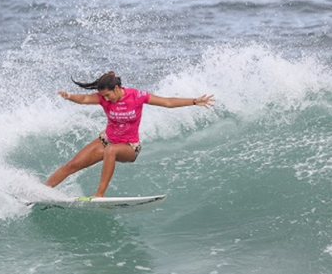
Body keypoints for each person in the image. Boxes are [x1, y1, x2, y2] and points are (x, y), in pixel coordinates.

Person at [45, 71, 215, 197]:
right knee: (71, 166)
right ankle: (42, 192)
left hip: (129, 147)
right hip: (107, 140)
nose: (106, 98)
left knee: (111, 150)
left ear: (117, 88)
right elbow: (83, 99)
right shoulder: (103, 98)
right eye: (103, 96)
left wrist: (194, 101)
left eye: (108, 94)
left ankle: (99, 195)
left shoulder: (137, 96)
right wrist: (69, 96)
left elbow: (167, 102)